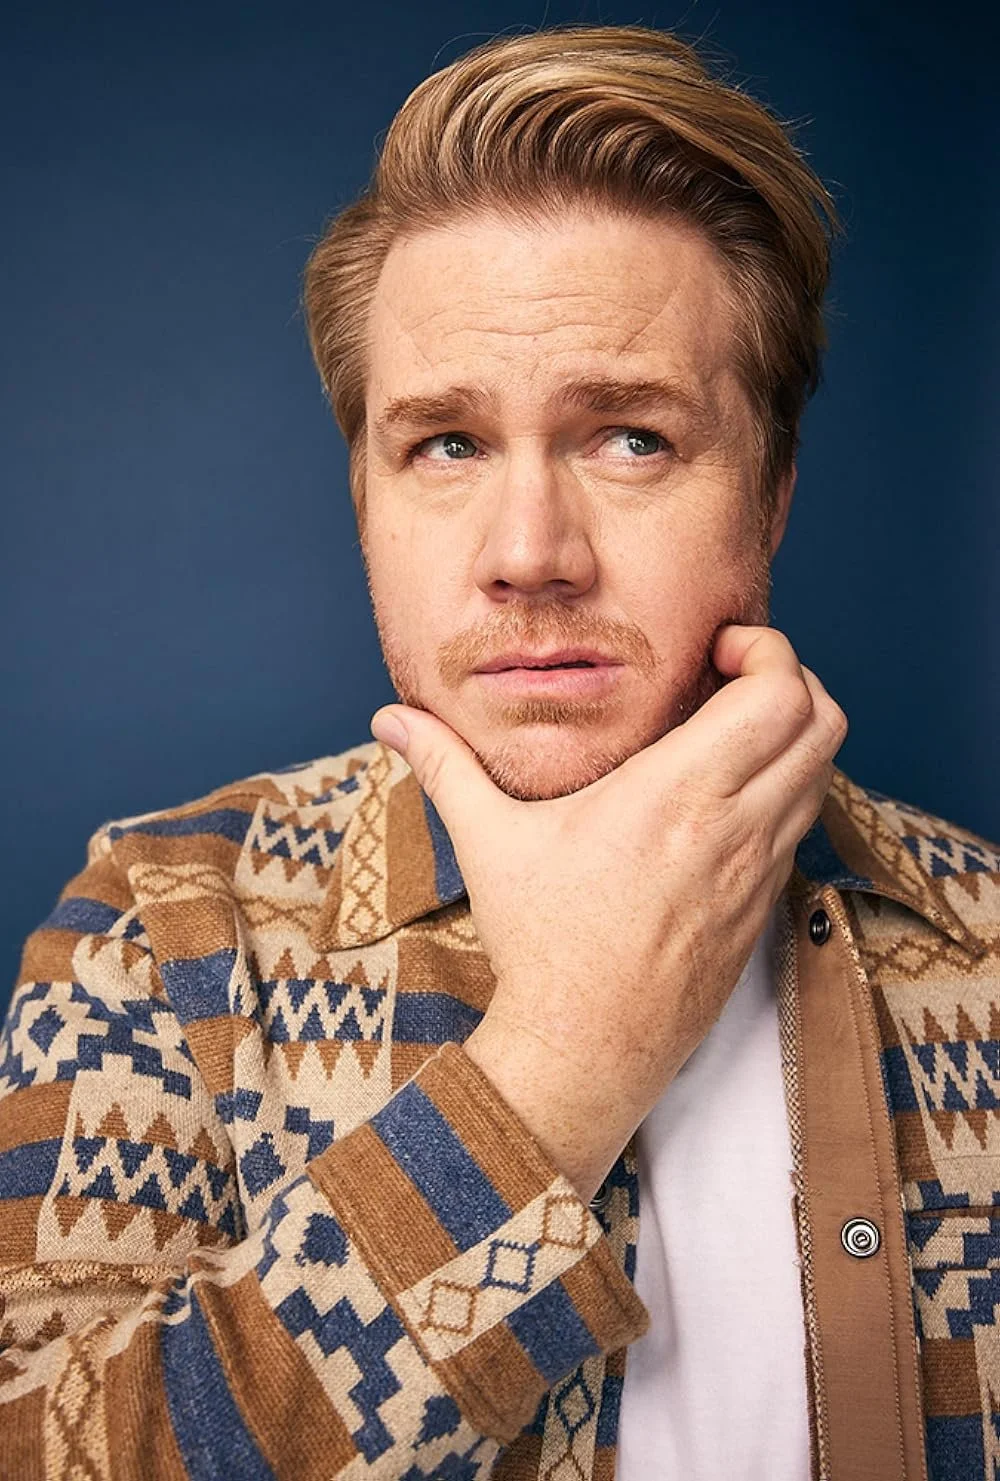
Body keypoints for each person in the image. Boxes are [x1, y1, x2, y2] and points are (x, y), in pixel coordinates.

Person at [1, 23, 996, 1480]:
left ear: (770, 494)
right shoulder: (158, 939)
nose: (529, 556)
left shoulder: (984, 948)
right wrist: (562, 1069)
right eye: (448, 446)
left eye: (631, 439)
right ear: (364, 498)